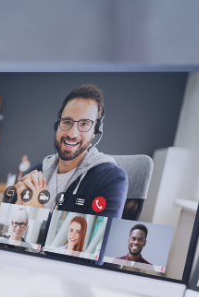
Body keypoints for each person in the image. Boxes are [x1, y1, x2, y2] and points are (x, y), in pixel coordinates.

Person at [12, 84, 128, 219]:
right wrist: (17, 206)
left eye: (84, 124)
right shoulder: (38, 172)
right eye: (67, 121)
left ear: (94, 132)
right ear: (57, 124)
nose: (72, 134)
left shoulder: (111, 179)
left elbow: (94, 239)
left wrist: (35, 209)